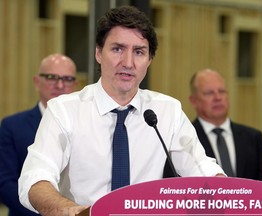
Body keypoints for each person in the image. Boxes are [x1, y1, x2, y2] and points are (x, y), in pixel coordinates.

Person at [18, 6, 225, 216]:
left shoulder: (166, 110)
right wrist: (70, 211)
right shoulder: (64, 111)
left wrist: (227, 194)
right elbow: (35, 178)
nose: (128, 63)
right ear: (98, 53)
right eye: (117, 49)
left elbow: (201, 169)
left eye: (139, 52)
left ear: (149, 60)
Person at [0, 53, 78, 216]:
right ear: (37, 82)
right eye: (51, 77)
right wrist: (49, 210)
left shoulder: (85, 125)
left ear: (75, 85)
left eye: (67, 79)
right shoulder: (12, 126)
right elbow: (5, 183)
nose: (60, 85)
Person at [189, 68, 262, 182]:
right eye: (209, 93)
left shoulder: (253, 138)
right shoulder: (186, 138)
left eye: (222, 91)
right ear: (194, 101)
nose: (218, 97)